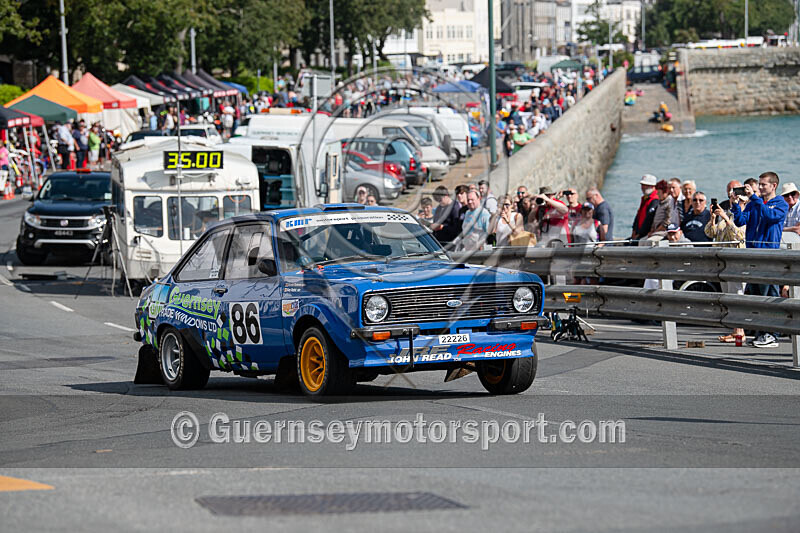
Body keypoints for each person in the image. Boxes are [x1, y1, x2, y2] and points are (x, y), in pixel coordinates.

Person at [731, 172, 789, 348]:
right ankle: (761, 332)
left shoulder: (780, 203)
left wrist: (754, 198)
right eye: (760, 184)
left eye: (764, 184)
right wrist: (736, 205)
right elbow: (740, 221)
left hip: (769, 256)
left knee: (768, 295)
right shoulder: (754, 203)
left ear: (774, 186)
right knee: (756, 296)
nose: (761, 187)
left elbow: (770, 216)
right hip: (753, 255)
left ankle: (772, 334)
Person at [705, 189, 746, 343]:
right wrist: (713, 218)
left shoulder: (745, 217)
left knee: (737, 297)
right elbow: (710, 232)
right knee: (728, 298)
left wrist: (725, 218)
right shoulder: (726, 215)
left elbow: (738, 235)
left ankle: (740, 332)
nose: (732, 201)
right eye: (731, 198)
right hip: (723, 263)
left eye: (736, 199)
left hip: (736, 262)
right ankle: (736, 331)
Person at [631, 174, 659, 242]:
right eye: (642, 185)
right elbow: (638, 216)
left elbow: (648, 220)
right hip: (638, 234)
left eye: (646, 185)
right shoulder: (645, 198)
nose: (643, 187)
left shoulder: (655, 200)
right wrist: (634, 230)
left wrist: (640, 234)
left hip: (645, 235)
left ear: (653, 186)